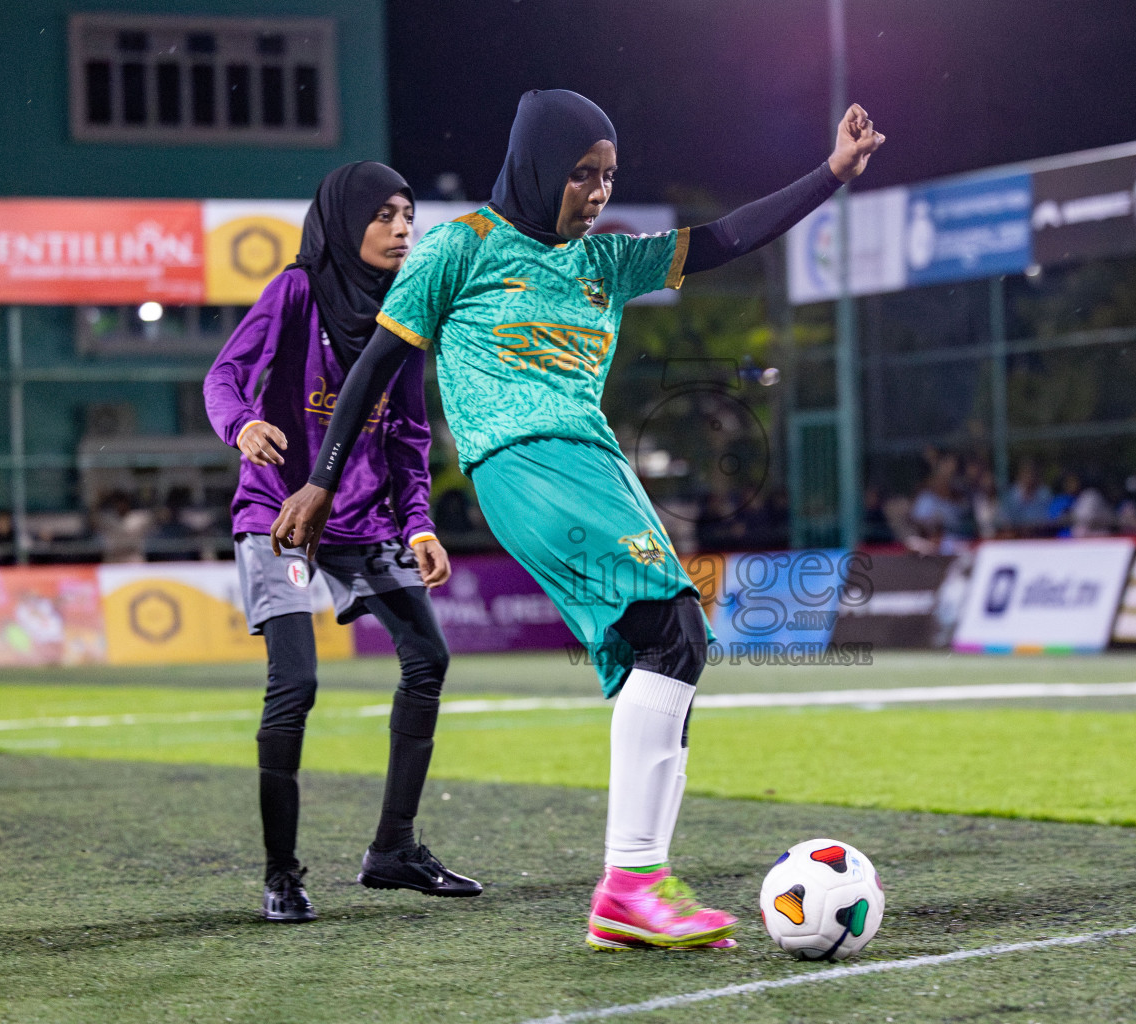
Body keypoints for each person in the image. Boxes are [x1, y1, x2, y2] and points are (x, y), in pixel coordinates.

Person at [270, 90, 885, 950]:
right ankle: (630, 883)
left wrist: (831, 173)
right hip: (526, 462)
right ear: (534, 166)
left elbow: (727, 238)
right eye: (580, 175)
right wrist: (323, 483)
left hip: (593, 464)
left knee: (670, 650)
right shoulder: (461, 247)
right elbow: (377, 362)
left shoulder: (607, 261)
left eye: (607, 177)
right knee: (674, 633)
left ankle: (638, 885)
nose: (595, 193)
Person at [204, 162, 480, 926]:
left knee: (428, 656)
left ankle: (393, 849)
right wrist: (242, 425)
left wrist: (419, 521)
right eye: (385, 214)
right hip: (280, 516)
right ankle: (282, 875)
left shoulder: (407, 310)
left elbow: (410, 434)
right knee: (296, 683)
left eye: (409, 214)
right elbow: (223, 376)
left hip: (362, 523)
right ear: (344, 221)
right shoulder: (296, 292)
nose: (402, 229)